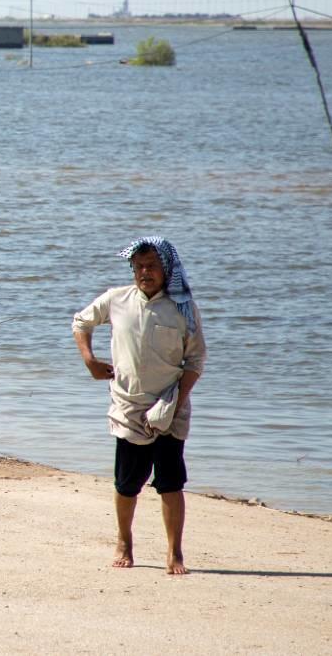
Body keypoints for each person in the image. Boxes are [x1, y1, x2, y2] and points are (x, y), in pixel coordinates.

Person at [72, 236, 206, 575]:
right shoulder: (117, 299)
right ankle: (124, 542)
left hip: (170, 406)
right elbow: (81, 322)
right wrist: (90, 361)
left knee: (171, 483)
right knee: (126, 484)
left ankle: (175, 553)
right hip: (128, 406)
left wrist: (178, 403)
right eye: (139, 267)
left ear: (167, 269)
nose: (144, 272)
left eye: (151, 266)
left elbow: (195, 360)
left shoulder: (183, 307)